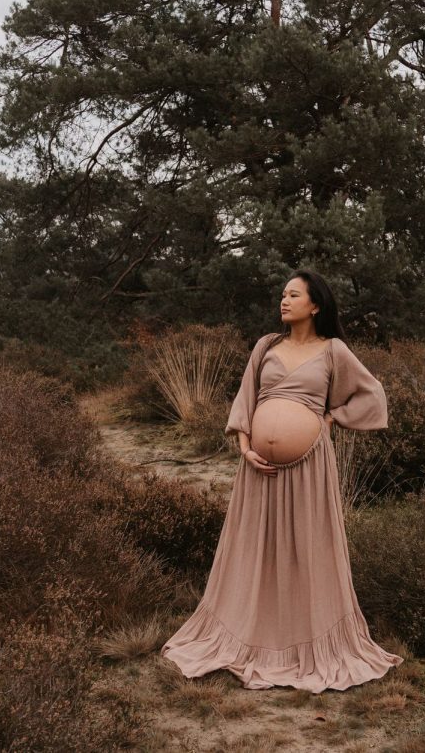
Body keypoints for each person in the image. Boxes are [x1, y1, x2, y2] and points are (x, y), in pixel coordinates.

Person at [160, 269, 404, 692]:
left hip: (308, 468)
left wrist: (329, 417)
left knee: (306, 546)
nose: (283, 301)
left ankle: (303, 646)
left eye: (293, 295)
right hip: (258, 467)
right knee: (255, 546)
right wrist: (244, 446)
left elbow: (372, 394)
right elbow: (246, 399)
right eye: (282, 294)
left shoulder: (333, 351)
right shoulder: (265, 346)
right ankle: (251, 635)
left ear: (315, 305)